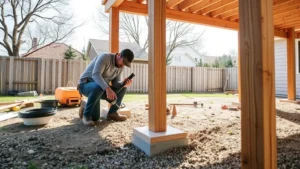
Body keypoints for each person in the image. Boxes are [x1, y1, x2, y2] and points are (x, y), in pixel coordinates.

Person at [77, 49, 134, 126]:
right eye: (123, 62)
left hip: (99, 89)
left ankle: (112, 113)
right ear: (119, 55)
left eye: (126, 64)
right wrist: (107, 88)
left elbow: (115, 84)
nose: (123, 65)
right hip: (85, 84)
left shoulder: (120, 67)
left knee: (95, 118)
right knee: (99, 87)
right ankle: (86, 116)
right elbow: (96, 75)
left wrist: (123, 83)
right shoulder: (105, 57)